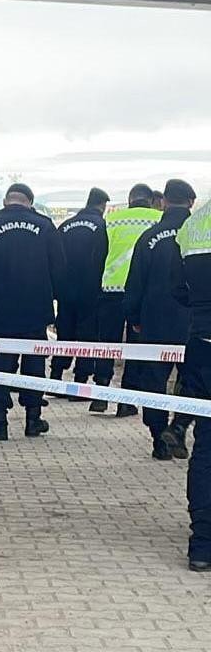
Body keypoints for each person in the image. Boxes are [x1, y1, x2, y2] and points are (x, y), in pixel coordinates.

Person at [0, 183, 65, 440]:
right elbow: (60, 269)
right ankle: (33, 420)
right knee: (34, 365)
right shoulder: (45, 226)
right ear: (30, 202)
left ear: (7, 201)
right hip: (34, 311)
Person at [125, 179, 196, 460]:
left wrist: (133, 316)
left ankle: (159, 438)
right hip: (196, 323)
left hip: (155, 322)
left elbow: (135, 283)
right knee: (194, 381)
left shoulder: (149, 237)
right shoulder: (201, 235)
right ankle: (179, 428)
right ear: (191, 202)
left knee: (153, 383)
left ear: (164, 202)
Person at [90, 183, 163, 415]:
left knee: (107, 344)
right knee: (135, 348)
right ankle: (126, 401)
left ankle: (101, 394)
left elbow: (96, 257)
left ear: (130, 199)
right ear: (150, 200)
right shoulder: (158, 220)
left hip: (110, 290)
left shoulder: (111, 220)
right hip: (142, 294)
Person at [174, 198, 211, 571]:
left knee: (206, 451)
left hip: (202, 344)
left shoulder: (194, 222)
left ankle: (202, 544)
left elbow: (177, 288)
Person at [49, 187, 109, 393]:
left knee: (64, 333)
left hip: (65, 290)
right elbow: (102, 258)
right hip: (91, 291)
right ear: (102, 205)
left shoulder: (65, 226)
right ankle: (80, 383)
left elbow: (55, 259)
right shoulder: (102, 225)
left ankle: (55, 378)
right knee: (87, 336)